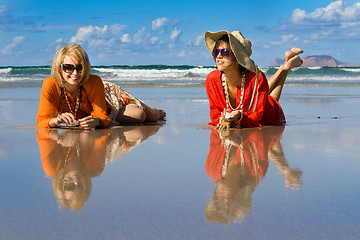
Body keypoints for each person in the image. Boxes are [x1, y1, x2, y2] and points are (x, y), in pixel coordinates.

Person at [36, 44, 166, 130]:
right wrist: (55, 121)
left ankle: (156, 111)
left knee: (143, 115)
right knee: (139, 116)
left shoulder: (94, 81)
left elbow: (102, 116)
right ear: (59, 68)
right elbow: (42, 120)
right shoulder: (50, 84)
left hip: (110, 100)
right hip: (94, 114)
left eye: (79, 68)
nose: (75, 73)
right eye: (68, 67)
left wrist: (97, 121)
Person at [204, 30, 303, 129]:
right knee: (266, 96)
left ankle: (285, 68)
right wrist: (223, 120)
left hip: (267, 116)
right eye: (216, 51)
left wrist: (239, 117)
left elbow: (256, 117)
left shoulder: (257, 79)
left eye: (225, 52)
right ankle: (285, 66)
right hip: (257, 103)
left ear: (238, 58)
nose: (219, 56)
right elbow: (215, 115)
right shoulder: (212, 79)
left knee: (271, 100)